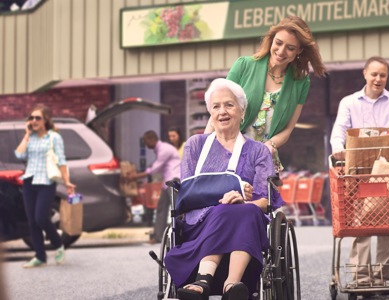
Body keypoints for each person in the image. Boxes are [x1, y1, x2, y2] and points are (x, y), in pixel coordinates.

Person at [164, 78, 284, 300]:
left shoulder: (258, 151)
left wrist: (242, 200)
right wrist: (223, 197)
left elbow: (266, 201)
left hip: (246, 223)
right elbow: (189, 194)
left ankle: (223, 282)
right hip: (200, 224)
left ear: (241, 111)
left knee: (244, 210)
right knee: (224, 209)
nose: (222, 112)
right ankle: (216, 282)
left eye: (229, 105)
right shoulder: (196, 145)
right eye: (216, 106)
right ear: (210, 113)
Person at [330, 56, 389, 285]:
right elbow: (339, 130)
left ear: (387, 77)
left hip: (388, 170)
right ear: (365, 74)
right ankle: (361, 277)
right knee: (361, 221)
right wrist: (338, 149)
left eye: (383, 75)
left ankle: (381, 276)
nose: (378, 79)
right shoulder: (349, 102)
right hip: (359, 170)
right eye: (374, 74)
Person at [206, 15, 326, 172]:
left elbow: (288, 129)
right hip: (227, 154)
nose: (281, 51)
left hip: (263, 160)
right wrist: (205, 146)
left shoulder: (301, 82)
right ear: (272, 39)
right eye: (278, 43)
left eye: (290, 48)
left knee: (262, 197)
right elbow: (217, 113)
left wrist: (268, 146)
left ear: (299, 51)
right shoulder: (244, 65)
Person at [14, 104, 76, 268]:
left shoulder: (54, 137)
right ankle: (40, 256)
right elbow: (19, 154)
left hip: (46, 182)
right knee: (32, 222)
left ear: (45, 120)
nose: (33, 120)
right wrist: (27, 135)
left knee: (41, 217)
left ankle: (58, 245)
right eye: (31, 118)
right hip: (29, 181)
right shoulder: (30, 138)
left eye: (37, 118)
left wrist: (67, 181)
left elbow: (61, 160)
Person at [126, 130, 181, 244]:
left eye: (146, 142)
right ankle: (157, 236)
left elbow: (155, 168)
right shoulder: (161, 149)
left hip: (174, 180)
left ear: (152, 139)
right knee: (161, 208)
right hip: (167, 182)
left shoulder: (164, 149)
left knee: (177, 209)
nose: (146, 145)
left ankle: (181, 235)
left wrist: (136, 176)